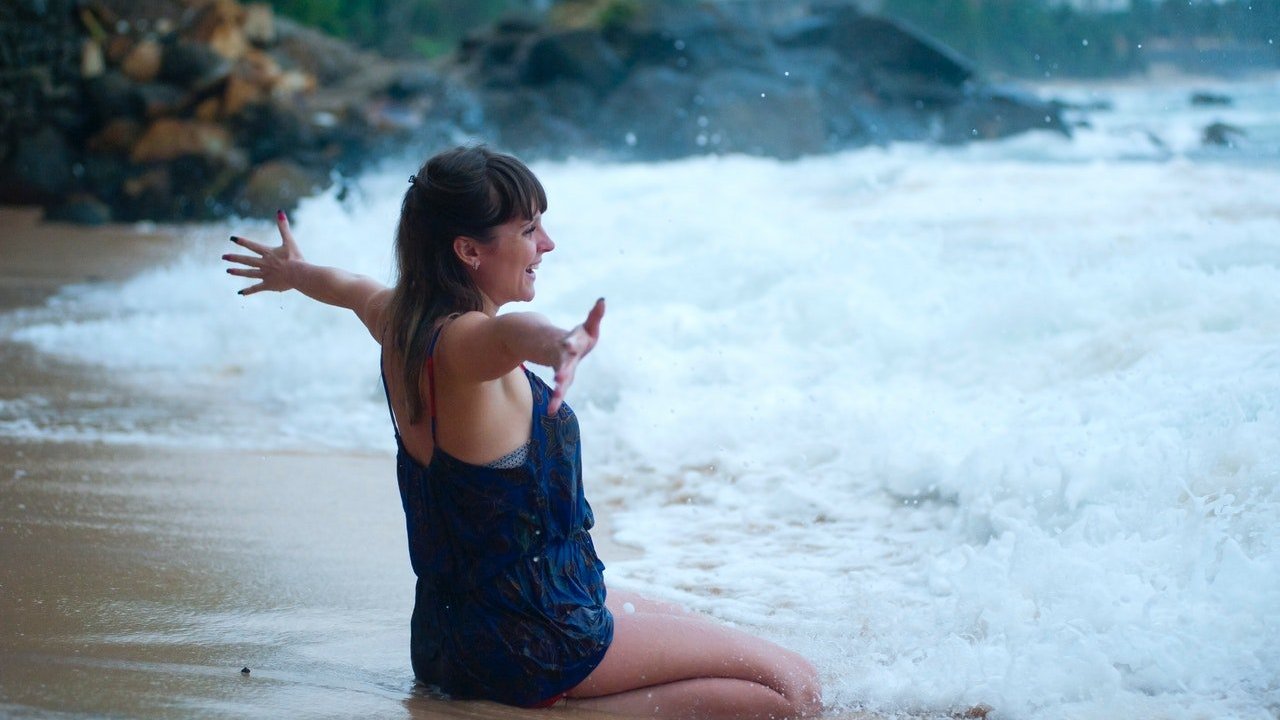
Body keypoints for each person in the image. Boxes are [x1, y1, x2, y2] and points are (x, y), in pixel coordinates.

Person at [223, 145, 822, 718]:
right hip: (532, 640)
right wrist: (560, 342)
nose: (548, 244)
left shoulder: (398, 320)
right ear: (469, 250)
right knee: (795, 690)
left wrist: (294, 272)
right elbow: (513, 336)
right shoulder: (467, 345)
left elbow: (348, 288)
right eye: (529, 230)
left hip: (452, 639)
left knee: (728, 645)